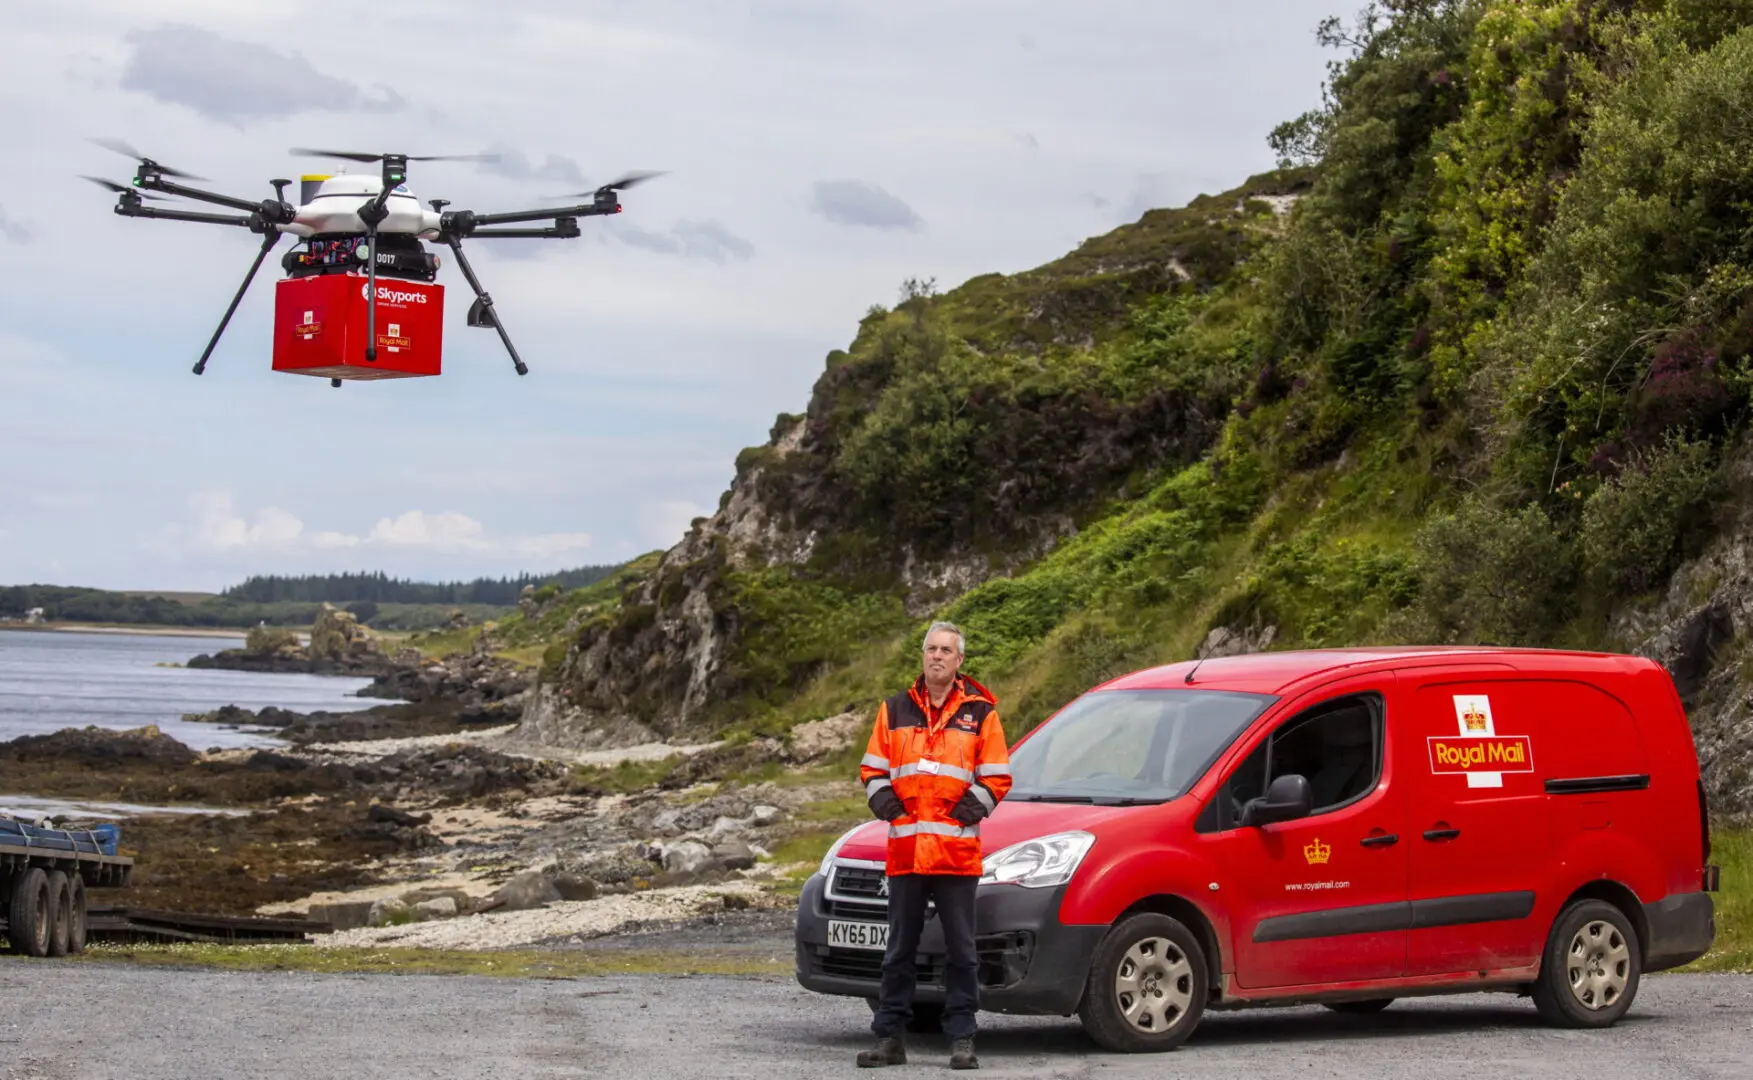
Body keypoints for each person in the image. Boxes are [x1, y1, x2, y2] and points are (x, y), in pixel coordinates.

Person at [856, 621, 1012, 1070]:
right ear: (922, 655)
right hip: (906, 852)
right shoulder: (894, 709)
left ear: (960, 660)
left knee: (962, 951)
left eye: (946, 650)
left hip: (955, 855)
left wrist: (966, 812)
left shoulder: (982, 713)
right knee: (898, 951)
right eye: (931, 649)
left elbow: (997, 774)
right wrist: (889, 807)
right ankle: (890, 1039)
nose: (937, 656)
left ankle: (962, 1038)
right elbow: (872, 769)